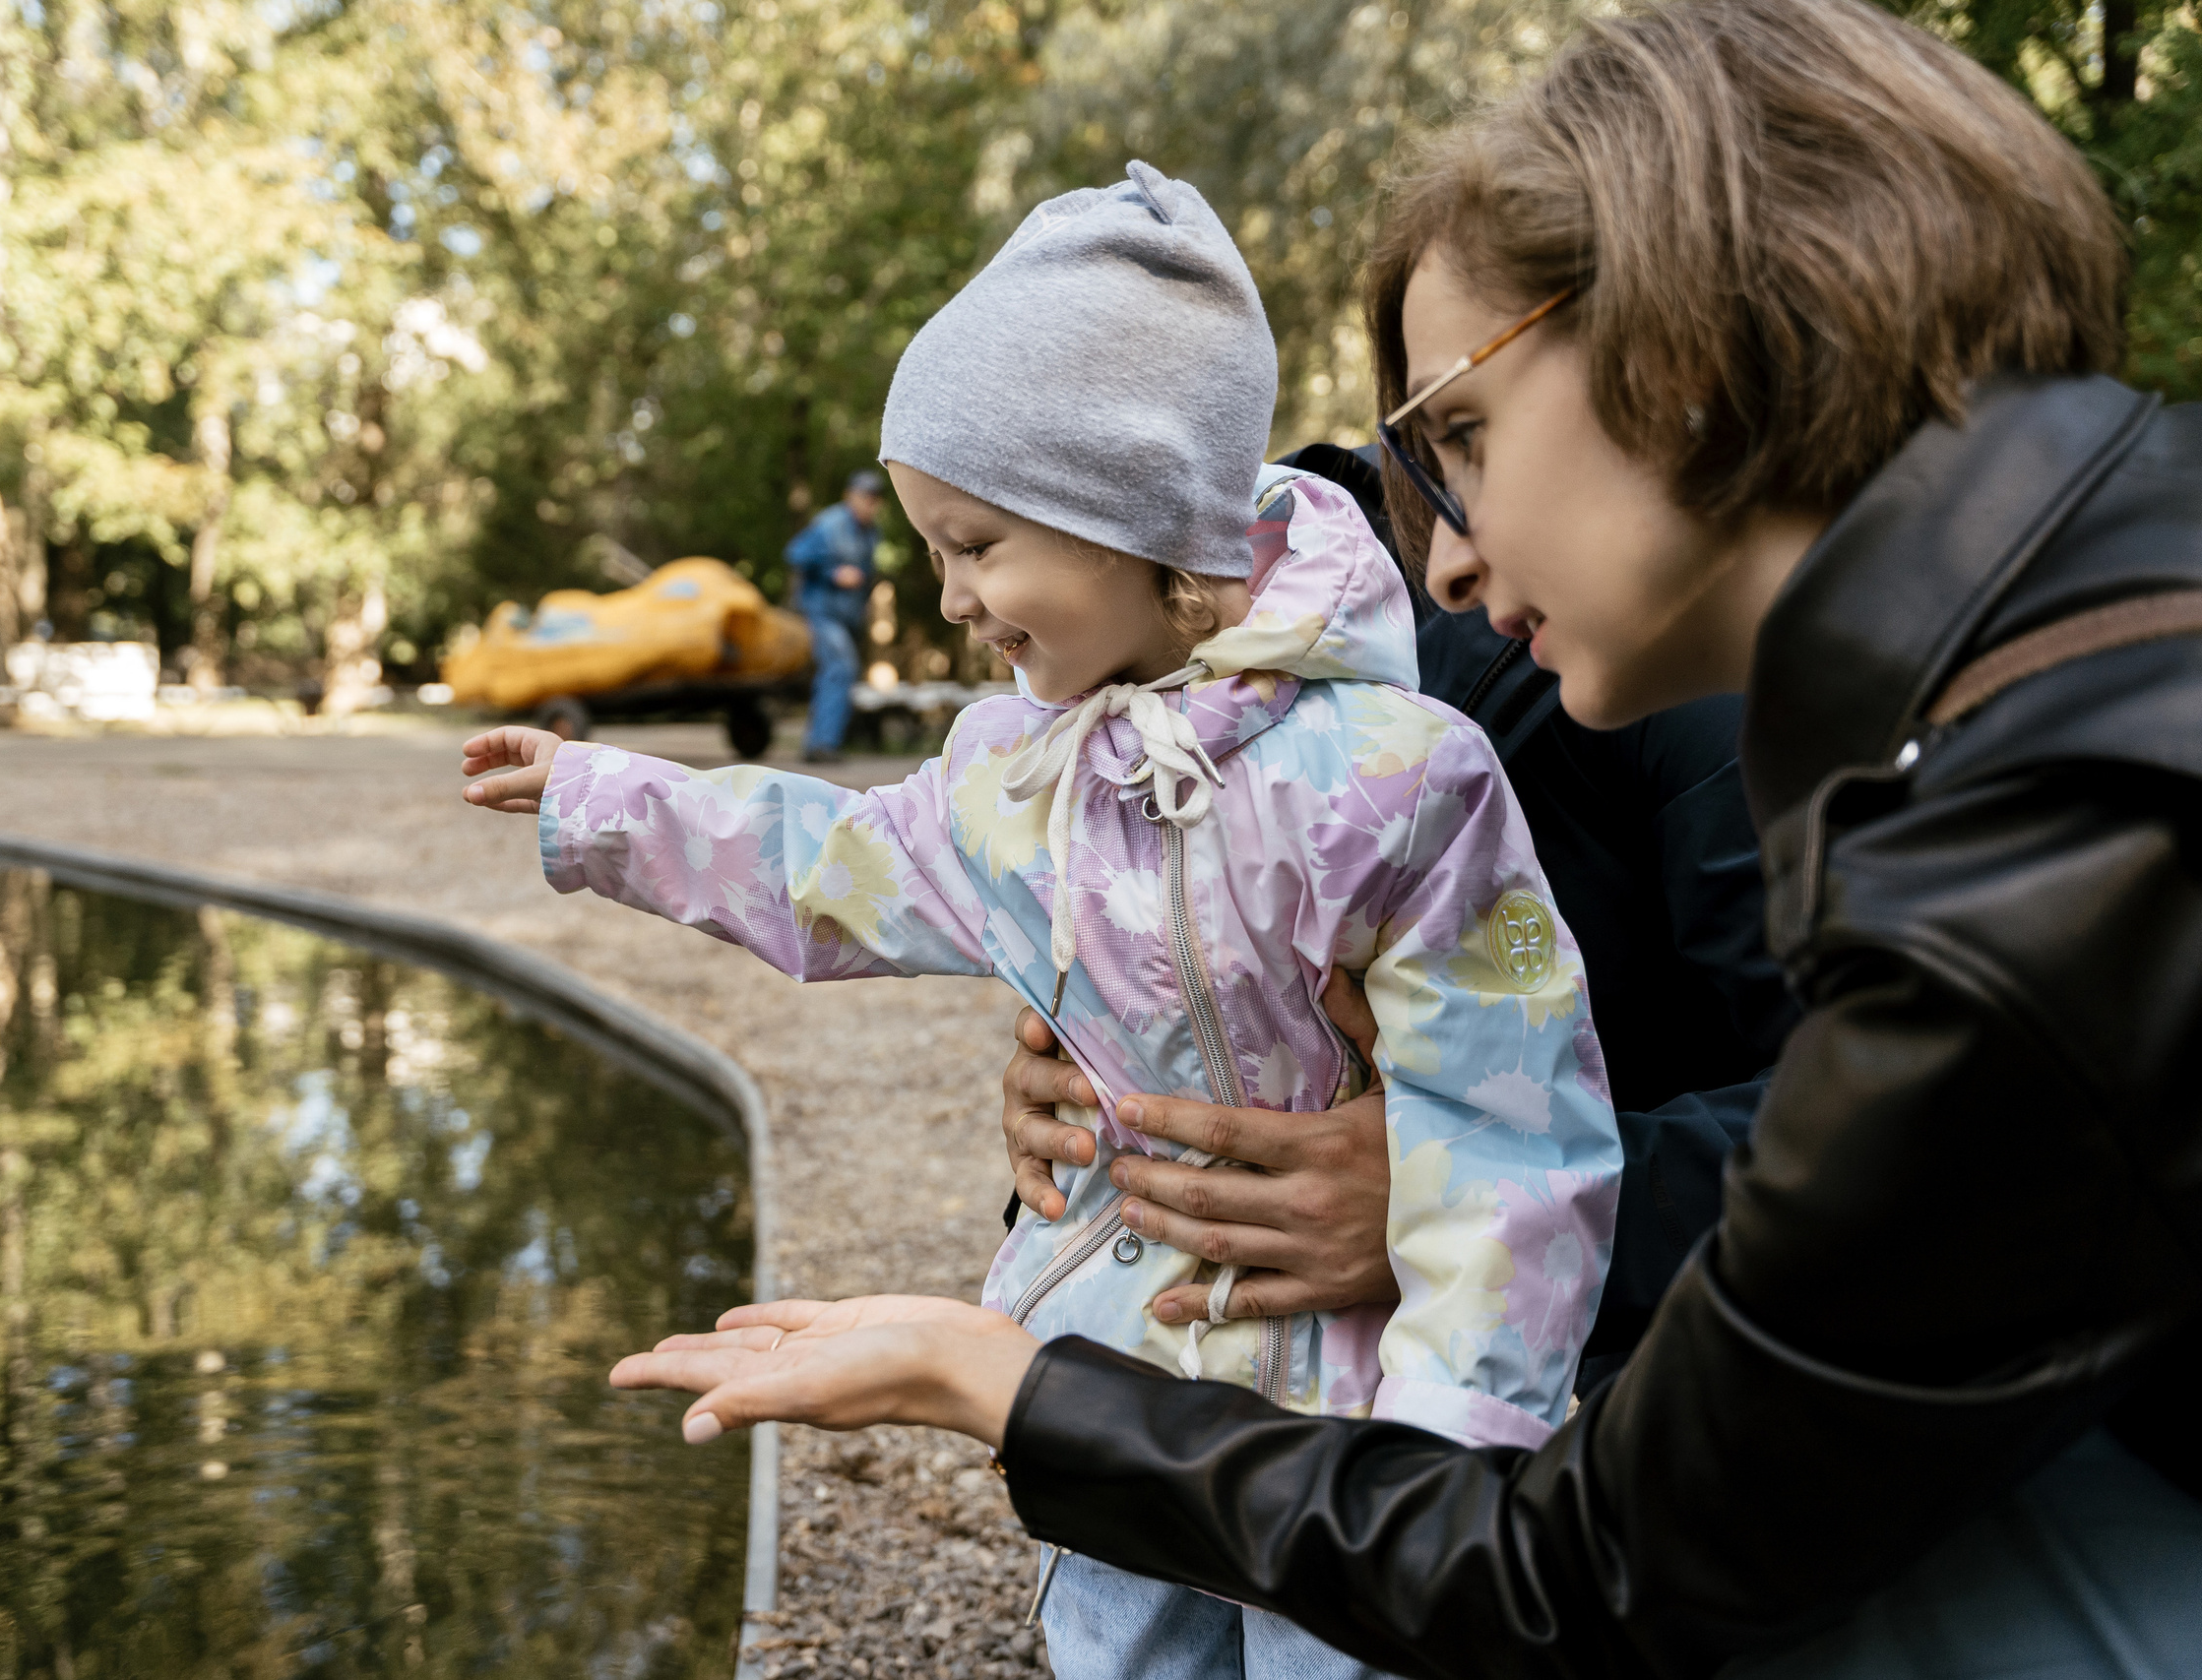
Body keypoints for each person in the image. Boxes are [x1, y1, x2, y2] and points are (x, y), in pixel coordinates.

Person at [608, 1, 2202, 1671]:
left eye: (1456, 435)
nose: (1433, 556)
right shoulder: (2034, 644)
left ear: (1687, 346)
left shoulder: (2034, 862)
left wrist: (1002, 1383)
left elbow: (1578, 1578)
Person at [463, 161, 1621, 1680]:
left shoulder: (1396, 779)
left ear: (1134, 515)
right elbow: (838, 862)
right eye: (935, 546)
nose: (948, 597)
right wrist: (606, 802)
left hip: (1356, 1394)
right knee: (1117, 1648)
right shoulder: (1019, 778)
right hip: (1120, 1358)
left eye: (976, 544)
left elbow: (1513, 1124)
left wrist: (1464, 1438)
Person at [998, 440, 1793, 1392]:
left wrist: (1467, 1206)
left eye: (1468, 421)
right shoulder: (1208, 588)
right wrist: (1086, 1105)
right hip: (1198, 1394)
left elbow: (1926, 1121)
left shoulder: (1722, 657)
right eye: (1431, 426)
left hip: (1635, 1397)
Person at [786, 468, 885, 762]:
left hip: (847, 617)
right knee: (841, 667)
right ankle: (822, 745)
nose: (870, 503)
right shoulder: (829, 524)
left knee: (837, 671)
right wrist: (833, 573)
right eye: (865, 496)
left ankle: (822, 741)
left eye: (875, 498)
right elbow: (795, 554)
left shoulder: (872, 532)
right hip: (821, 612)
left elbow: (866, 575)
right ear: (850, 497)